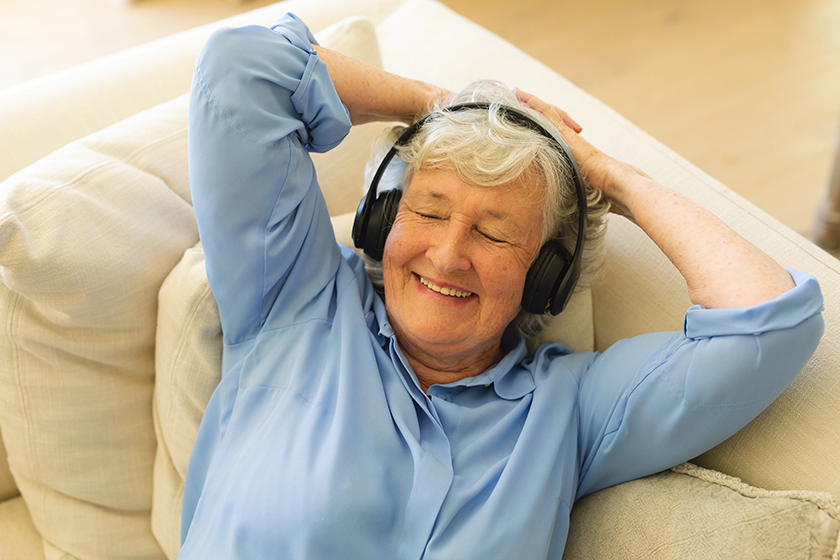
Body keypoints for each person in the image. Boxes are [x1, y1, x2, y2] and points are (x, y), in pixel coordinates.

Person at [179, 13, 824, 559]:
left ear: (545, 275)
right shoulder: (296, 300)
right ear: (383, 221)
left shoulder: (568, 409)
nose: (448, 254)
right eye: (428, 212)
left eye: (493, 234)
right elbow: (242, 69)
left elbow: (769, 320)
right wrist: (441, 106)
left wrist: (612, 176)